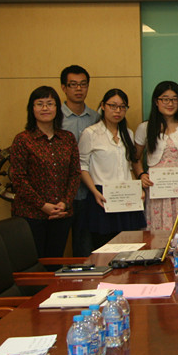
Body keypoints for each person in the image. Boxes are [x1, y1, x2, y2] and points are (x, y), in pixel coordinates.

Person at [10, 86, 80, 258]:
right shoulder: (23, 140)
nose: (45, 108)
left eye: (50, 103)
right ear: (32, 109)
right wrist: (43, 206)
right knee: (34, 263)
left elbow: (74, 174)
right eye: (40, 104)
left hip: (61, 214)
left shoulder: (67, 138)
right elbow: (18, 179)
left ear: (57, 108)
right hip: (31, 215)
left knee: (55, 261)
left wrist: (65, 202)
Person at [78, 89, 146, 251]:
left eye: (122, 107)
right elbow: (82, 166)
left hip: (126, 196)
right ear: (103, 106)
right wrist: (94, 192)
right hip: (102, 197)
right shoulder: (91, 133)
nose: (117, 111)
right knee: (105, 250)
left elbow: (129, 167)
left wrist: (138, 189)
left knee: (130, 248)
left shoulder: (128, 133)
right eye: (113, 106)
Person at [134, 81, 178, 236]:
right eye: (165, 99)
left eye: (174, 99)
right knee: (156, 235)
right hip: (156, 190)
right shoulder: (145, 128)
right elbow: (136, 157)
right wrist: (141, 175)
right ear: (156, 101)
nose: (170, 103)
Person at [59, 65, 100, 257]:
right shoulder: (55, 118)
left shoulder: (96, 118)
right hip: (61, 192)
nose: (78, 89)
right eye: (73, 84)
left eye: (83, 84)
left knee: (85, 247)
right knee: (56, 247)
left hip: (87, 192)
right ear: (63, 87)